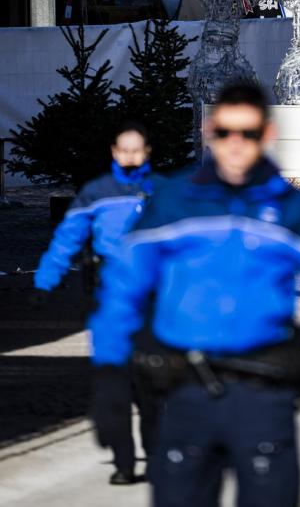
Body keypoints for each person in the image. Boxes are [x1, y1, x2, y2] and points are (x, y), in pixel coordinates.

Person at [89, 81, 300, 507]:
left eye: (248, 133)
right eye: (226, 132)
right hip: (185, 394)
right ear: (210, 132)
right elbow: (122, 291)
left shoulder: (291, 209)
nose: (236, 144)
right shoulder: (173, 202)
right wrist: (109, 376)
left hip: (264, 396)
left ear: (267, 135)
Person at [33, 120, 161, 485]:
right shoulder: (96, 192)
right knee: (113, 387)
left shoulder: (164, 193)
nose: (130, 156)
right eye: (124, 149)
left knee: (151, 385)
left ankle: (155, 455)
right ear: (114, 152)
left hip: (154, 301)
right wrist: (44, 283)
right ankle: (124, 462)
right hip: (111, 302)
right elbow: (66, 240)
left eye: (137, 149)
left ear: (147, 152)